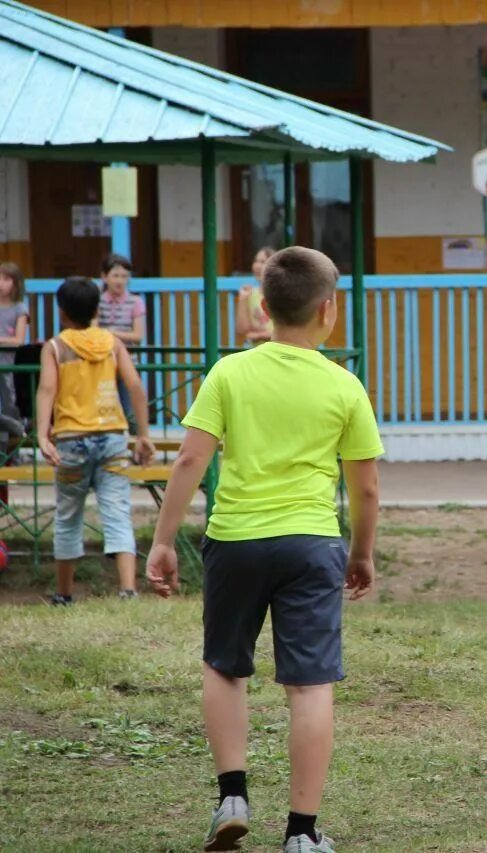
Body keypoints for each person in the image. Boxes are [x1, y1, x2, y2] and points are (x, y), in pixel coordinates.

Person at [145, 246, 383, 853]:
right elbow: (366, 487)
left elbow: (192, 459)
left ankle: (232, 796)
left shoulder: (229, 372)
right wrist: (361, 553)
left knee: (225, 667)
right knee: (309, 686)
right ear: (329, 310)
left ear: (264, 305)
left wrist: (164, 540)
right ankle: (301, 834)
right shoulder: (344, 384)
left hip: (235, 540)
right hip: (310, 543)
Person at [35, 277, 155, 604]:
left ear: (61, 311)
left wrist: (42, 435)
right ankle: (128, 589)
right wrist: (143, 434)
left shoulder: (56, 347)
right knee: (117, 511)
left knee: (68, 515)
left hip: (71, 440)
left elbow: (47, 389)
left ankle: (64, 593)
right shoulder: (112, 342)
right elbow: (134, 387)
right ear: (97, 309)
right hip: (113, 437)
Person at [97, 253, 146, 425]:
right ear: (104, 277)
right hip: (102, 360)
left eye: (124, 276)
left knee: (129, 411)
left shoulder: (135, 302)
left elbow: (138, 335)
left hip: (128, 360)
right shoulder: (97, 301)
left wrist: (112, 333)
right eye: (115, 275)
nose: (120, 281)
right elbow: (93, 329)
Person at [0, 261, 31, 437]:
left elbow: (18, 340)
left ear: (15, 283)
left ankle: (12, 443)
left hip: (9, 362)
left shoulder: (19, 309)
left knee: (9, 403)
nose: (1, 283)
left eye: (6, 279)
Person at [236, 246, 277, 346]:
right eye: (256, 261)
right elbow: (242, 330)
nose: (257, 266)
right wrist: (243, 300)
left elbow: (286, 332)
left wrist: (259, 335)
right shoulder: (249, 294)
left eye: (263, 262)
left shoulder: (280, 294)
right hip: (255, 351)